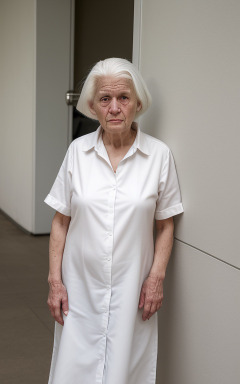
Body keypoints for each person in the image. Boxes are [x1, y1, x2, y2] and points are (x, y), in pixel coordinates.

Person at [44, 57, 184, 384]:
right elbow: (60, 220)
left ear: (138, 103)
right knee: (73, 368)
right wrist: (54, 281)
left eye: (123, 98)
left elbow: (165, 225)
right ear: (93, 107)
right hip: (79, 287)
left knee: (127, 369)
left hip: (132, 288)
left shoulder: (158, 155)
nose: (115, 108)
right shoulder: (78, 152)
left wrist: (156, 279)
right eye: (105, 99)